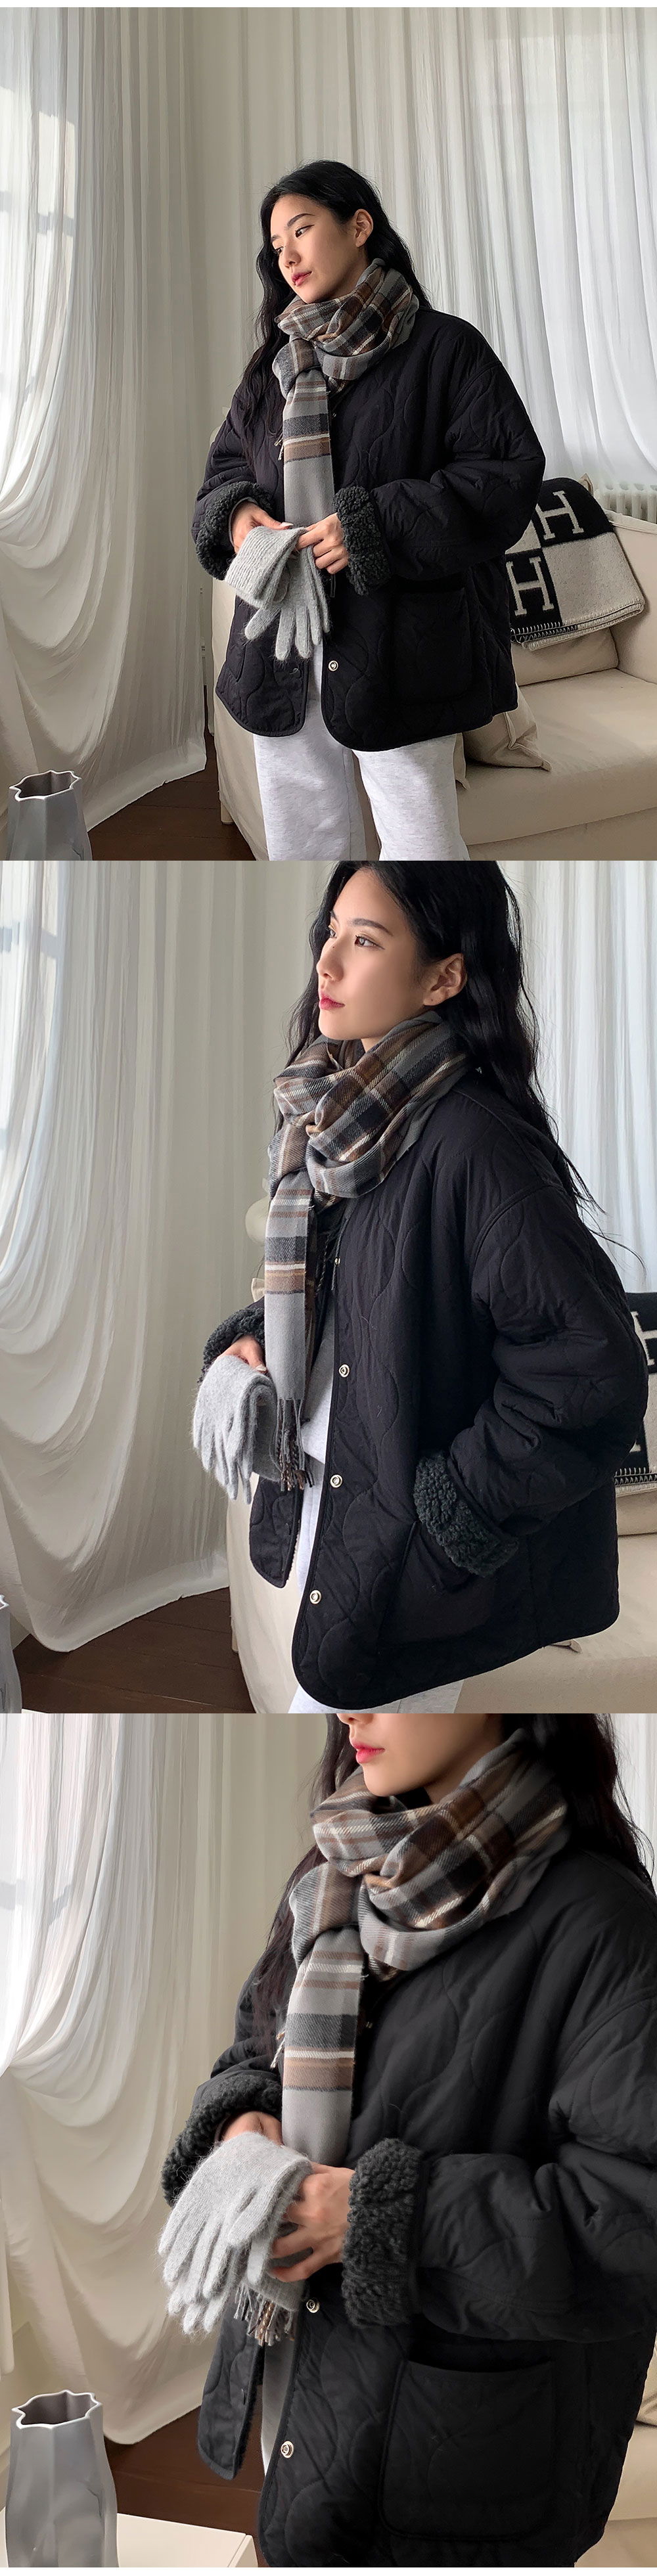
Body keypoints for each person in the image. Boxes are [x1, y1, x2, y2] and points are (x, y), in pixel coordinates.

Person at [160, 1711, 657, 2567]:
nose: (352, 1709)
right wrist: (244, 2126)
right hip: (304, 2380)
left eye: (395, 1683)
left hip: (459, 2449)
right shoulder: (333, 1868)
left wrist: (376, 2216)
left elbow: (632, 2224)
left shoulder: (605, 1923)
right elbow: (255, 2047)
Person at [194, 861, 647, 1717]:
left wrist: (447, 1511)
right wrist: (251, 1341)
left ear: (444, 977)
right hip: (327, 1502)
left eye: (364, 941)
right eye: (331, 931)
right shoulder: (336, 1119)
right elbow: (370, 1300)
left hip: (406, 1546)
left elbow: (592, 1372)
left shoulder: (475, 1143)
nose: (327, 962)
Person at [192, 159, 546, 862]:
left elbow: (504, 477)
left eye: (302, 230)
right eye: (275, 244)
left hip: (401, 645)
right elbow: (224, 473)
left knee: (422, 848)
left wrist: (371, 526)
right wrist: (238, 517)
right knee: (303, 847)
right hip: (281, 641)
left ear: (359, 226)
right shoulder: (271, 367)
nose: (286, 255)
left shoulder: (446, 348)